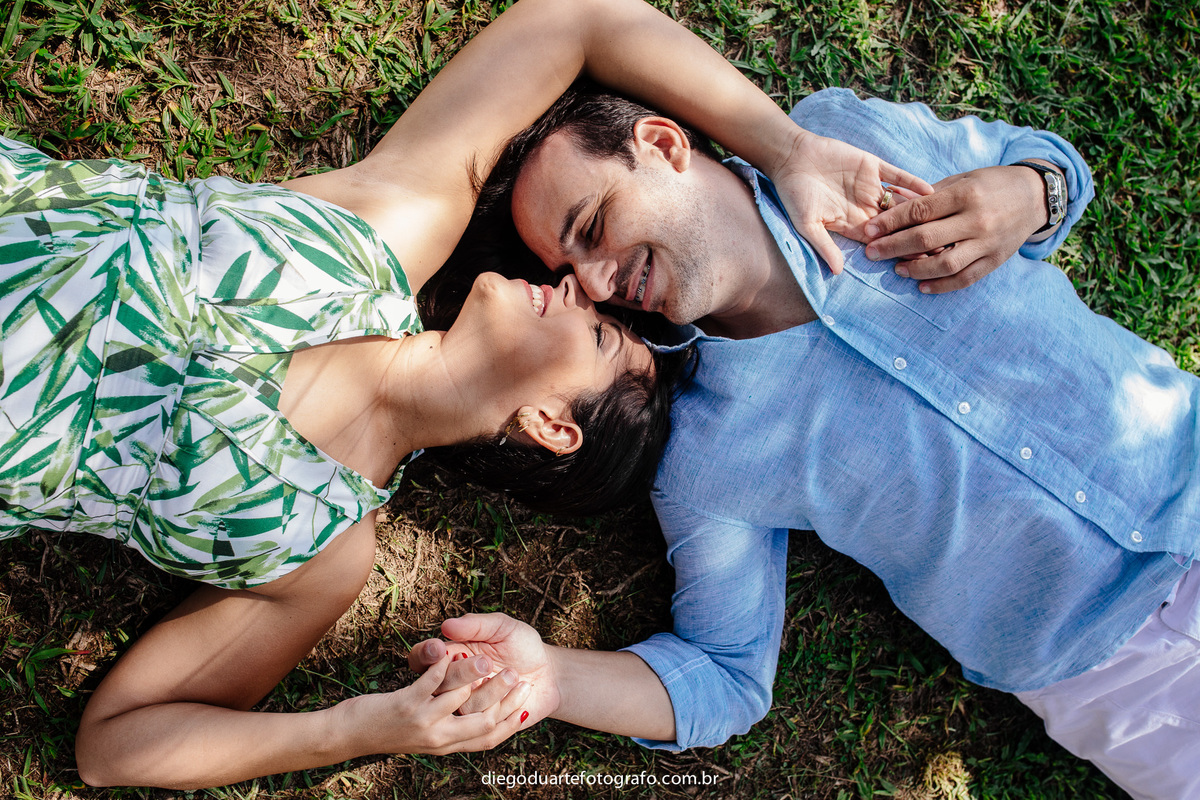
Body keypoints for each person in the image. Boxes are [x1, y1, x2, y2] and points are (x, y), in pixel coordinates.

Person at [0, 0, 929, 789]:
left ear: (550, 424)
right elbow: (575, 17)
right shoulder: (382, 234)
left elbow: (114, 744)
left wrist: (359, 729)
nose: (582, 285)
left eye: (601, 331)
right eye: (578, 271)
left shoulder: (318, 545)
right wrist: (789, 146)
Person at [411, 84, 1200, 799]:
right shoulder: (701, 456)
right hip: (1123, 682)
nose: (595, 283)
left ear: (662, 143)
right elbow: (723, 677)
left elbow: (1047, 161)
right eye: (571, 270)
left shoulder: (849, 136)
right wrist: (547, 677)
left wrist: (1030, 191)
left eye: (592, 227)